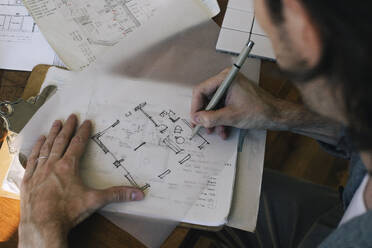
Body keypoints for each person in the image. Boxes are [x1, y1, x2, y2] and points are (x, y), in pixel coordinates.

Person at [18, 0, 372, 247]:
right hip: (336, 213)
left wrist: (40, 235)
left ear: (304, 32)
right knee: (230, 197)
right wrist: (281, 115)